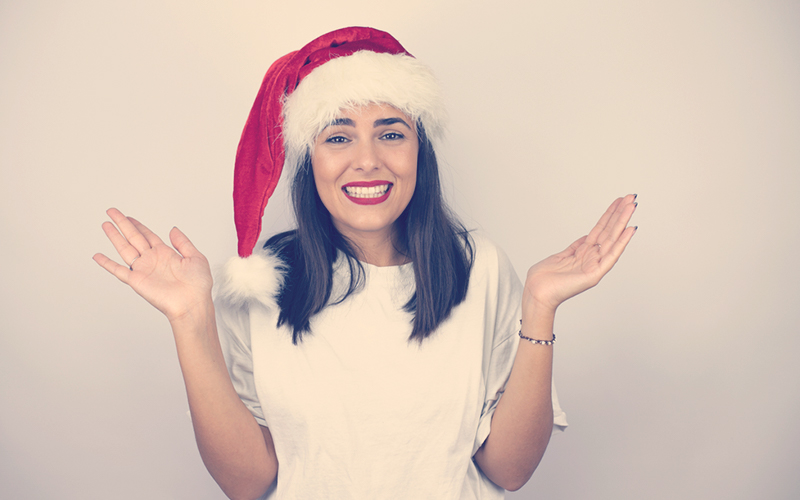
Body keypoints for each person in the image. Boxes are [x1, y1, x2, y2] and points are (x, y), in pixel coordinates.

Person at [93, 27, 637, 500]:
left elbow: (510, 470)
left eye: (391, 134)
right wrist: (191, 322)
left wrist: (538, 307)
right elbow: (247, 482)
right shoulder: (262, 284)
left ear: (418, 150)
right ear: (311, 161)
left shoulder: (481, 268)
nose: (368, 160)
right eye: (338, 136)